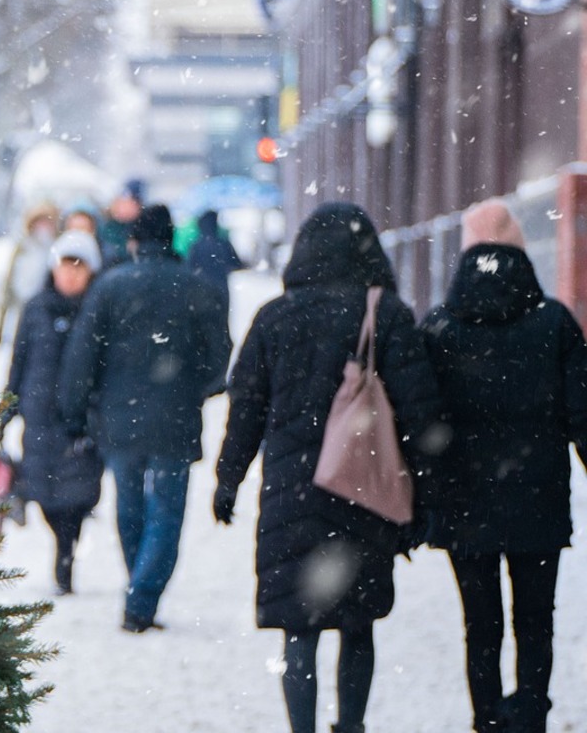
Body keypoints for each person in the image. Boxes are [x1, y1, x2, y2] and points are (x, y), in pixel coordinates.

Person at [213, 202, 441, 733]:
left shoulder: (274, 316)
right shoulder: (384, 313)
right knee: (358, 624)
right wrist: (427, 496)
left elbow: (245, 406)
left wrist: (229, 478)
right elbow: (419, 412)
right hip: (366, 488)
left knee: (300, 628)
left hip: (293, 494)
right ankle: (352, 726)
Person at [419, 200, 587, 733]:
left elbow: (421, 419)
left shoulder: (441, 326)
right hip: (537, 498)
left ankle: (487, 719)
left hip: (464, 501)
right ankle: (531, 713)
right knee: (537, 620)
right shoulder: (554, 321)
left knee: (481, 623)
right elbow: (582, 412)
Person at [58, 204, 232, 631]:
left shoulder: (109, 288)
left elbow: (82, 356)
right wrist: (196, 390)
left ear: (134, 241)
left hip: (119, 420)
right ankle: (143, 594)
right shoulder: (197, 287)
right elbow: (218, 358)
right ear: (171, 240)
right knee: (167, 511)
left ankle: (138, 586)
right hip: (175, 419)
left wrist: (75, 412)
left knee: (130, 505)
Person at [3, 229, 104, 595]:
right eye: (66, 265)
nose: (71, 274)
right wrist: (6, 408)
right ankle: (62, 546)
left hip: (81, 420)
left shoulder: (98, 309)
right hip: (39, 417)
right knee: (43, 494)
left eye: (79, 267)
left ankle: (66, 554)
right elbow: (19, 361)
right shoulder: (35, 308)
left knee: (78, 497)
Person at [0, 201, 59, 344]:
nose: (43, 228)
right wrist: (0, 327)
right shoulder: (23, 247)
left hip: (45, 309)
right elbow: (10, 282)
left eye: (47, 223)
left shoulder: (56, 249)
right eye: (39, 222)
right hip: (20, 306)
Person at [187, 209, 244, 305]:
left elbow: (189, 267)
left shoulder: (196, 245)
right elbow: (237, 264)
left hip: (201, 289)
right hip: (221, 289)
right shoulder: (224, 244)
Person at [97, 178, 144, 269]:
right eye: (121, 201)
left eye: (128, 202)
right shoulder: (106, 227)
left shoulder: (143, 230)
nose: (122, 206)